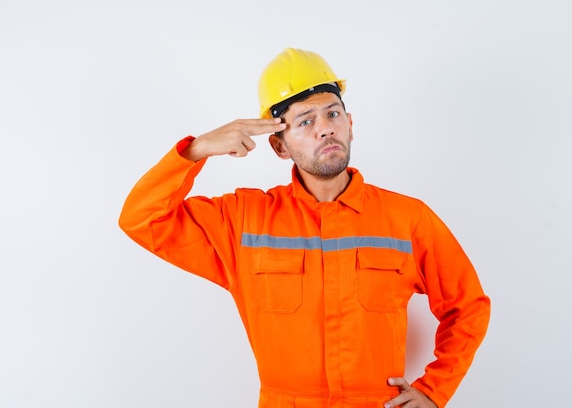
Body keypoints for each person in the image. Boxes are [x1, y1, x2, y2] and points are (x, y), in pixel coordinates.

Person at [119, 48, 490, 408]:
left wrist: (434, 390)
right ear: (279, 147)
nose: (325, 129)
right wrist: (196, 150)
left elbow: (467, 305)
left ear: (350, 125)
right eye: (306, 121)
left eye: (333, 114)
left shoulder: (407, 219)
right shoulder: (242, 221)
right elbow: (142, 218)